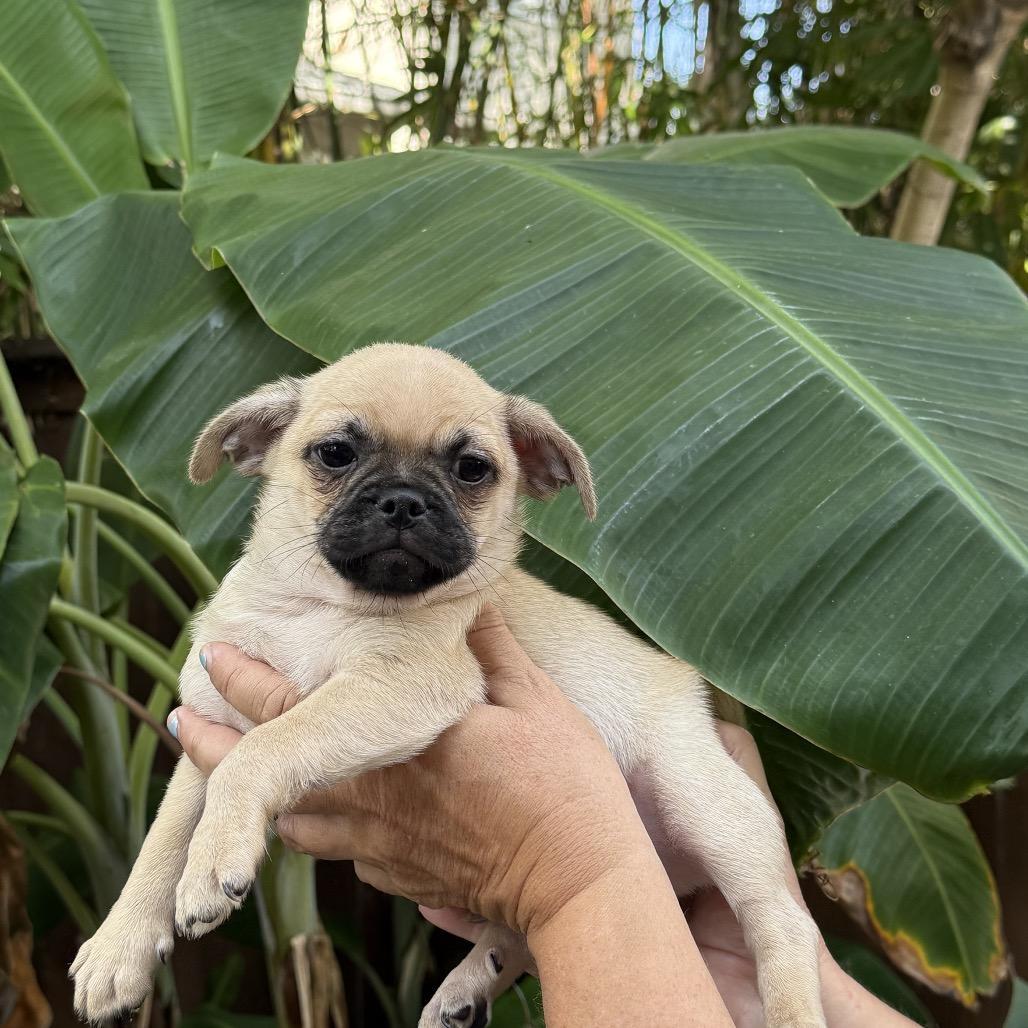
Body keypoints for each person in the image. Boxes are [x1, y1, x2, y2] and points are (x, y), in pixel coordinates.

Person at [169, 605, 916, 1028]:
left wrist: (565, 877)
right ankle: (500, 954)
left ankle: (788, 984)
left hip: (646, 732)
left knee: (761, 897)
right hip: (652, 906)